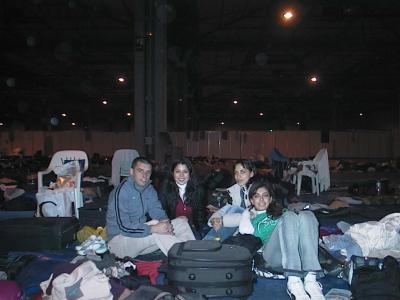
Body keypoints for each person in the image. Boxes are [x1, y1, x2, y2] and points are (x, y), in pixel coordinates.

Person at [239, 180, 325, 300]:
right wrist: (245, 213)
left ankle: (311, 280)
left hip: (295, 253)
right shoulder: (251, 217)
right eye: (257, 196)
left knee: (307, 215)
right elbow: (241, 228)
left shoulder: (281, 212)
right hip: (272, 256)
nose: (261, 200)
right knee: (289, 216)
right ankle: (294, 281)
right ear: (252, 200)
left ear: (270, 199)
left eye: (265, 196)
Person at [106, 157, 195, 259]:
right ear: (131, 171)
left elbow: (158, 212)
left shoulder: (149, 189)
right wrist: (154, 228)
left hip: (139, 240)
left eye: (148, 172)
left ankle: (193, 252)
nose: (145, 176)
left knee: (181, 221)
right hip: (118, 243)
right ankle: (187, 258)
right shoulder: (121, 192)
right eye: (140, 171)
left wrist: (166, 223)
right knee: (156, 225)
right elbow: (123, 227)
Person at [203, 159, 256, 241]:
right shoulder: (234, 190)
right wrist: (216, 218)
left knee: (238, 210)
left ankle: (208, 243)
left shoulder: (258, 192)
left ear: (251, 173)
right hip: (233, 230)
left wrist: (224, 220)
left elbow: (252, 216)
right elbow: (228, 208)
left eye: (242, 172)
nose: (238, 176)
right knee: (230, 210)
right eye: (236, 173)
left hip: (251, 230)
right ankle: (209, 243)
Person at [158, 158, 208, 239]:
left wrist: (202, 231)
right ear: (172, 173)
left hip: (192, 228)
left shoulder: (198, 190)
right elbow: (161, 213)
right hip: (172, 228)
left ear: (190, 174)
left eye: (185, 171)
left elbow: (200, 215)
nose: (181, 175)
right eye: (177, 171)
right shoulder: (165, 189)